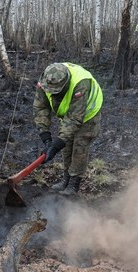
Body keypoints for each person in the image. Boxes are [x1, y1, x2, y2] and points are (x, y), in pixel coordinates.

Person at [34, 62, 103, 195]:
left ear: (65, 84)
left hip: (88, 115)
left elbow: (74, 118)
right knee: (66, 147)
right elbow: (40, 108)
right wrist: (46, 138)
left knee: (79, 147)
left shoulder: (80, 84)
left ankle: (74, 184)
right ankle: (66, 179)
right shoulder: (45, 80)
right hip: (69, 116)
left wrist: (55, 146)